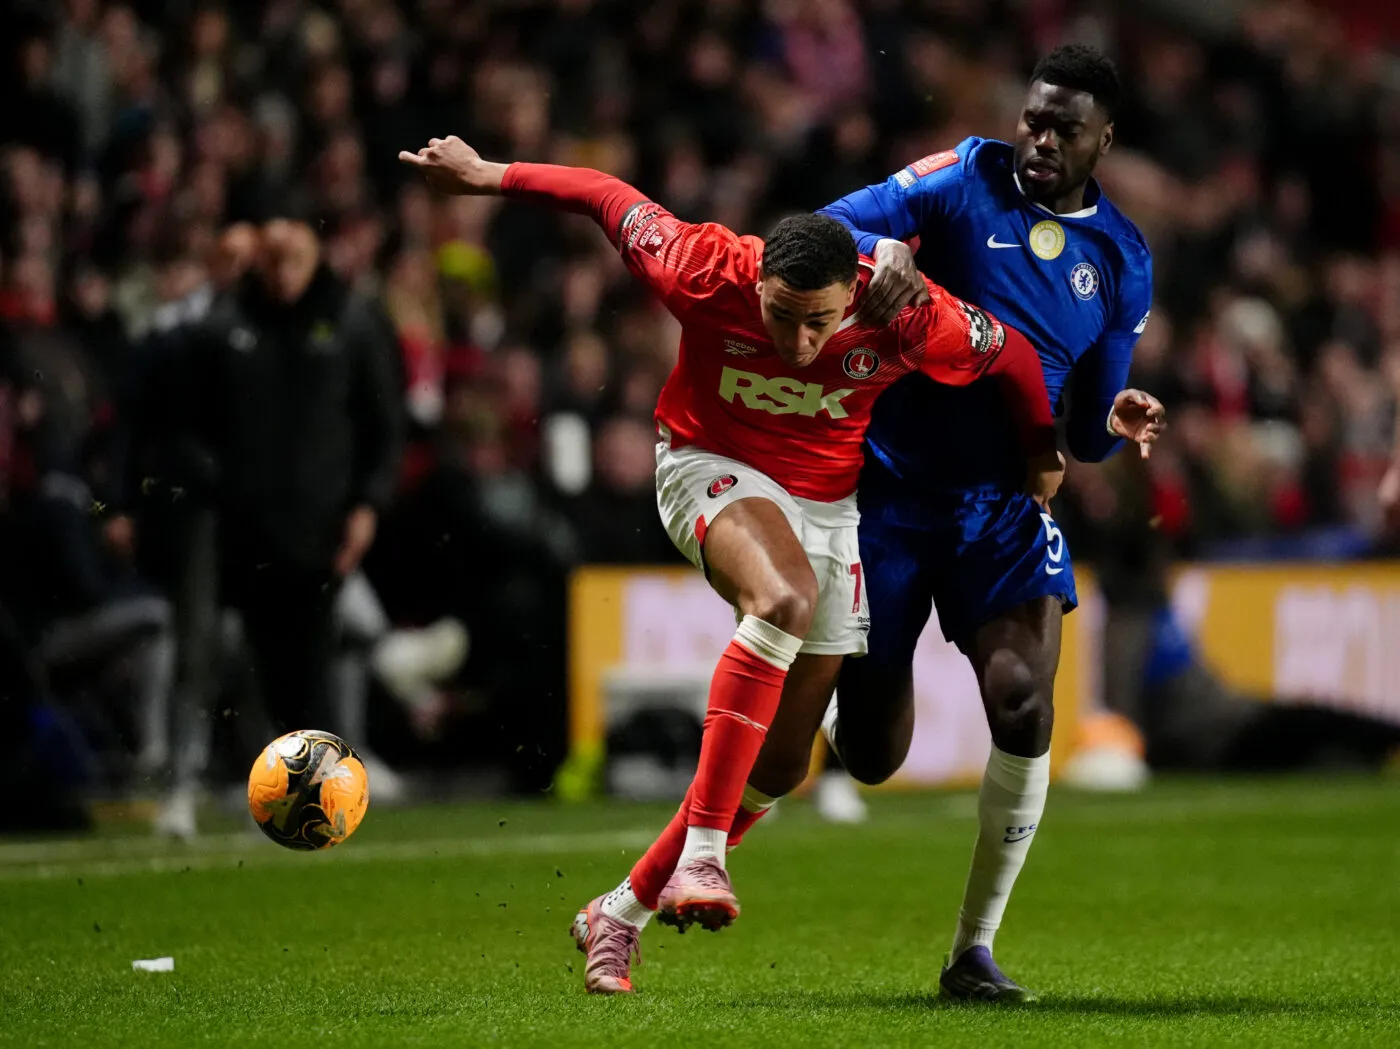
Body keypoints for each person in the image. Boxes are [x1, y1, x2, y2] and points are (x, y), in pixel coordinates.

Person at [400, 135, 1063, 995]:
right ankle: (704, 855)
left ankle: (618, 912)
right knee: (781, 598)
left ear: (852, 294)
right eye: (782, 315)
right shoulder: (705, 268)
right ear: (758, 286)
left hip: (828, 506)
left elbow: (1011, 354)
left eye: (819, 321)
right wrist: (489, 175)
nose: (799, 340)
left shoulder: (906, 313)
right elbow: (604, 192)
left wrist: (1043, 448)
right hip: (708, 464)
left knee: (782, 766)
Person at [722, 45, 1164, 1002]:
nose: (1041, 140)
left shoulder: (1123, 258)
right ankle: (836, 718)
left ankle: (974, 949)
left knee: (1025, 699)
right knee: (875, 756)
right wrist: (882, 256)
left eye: (1066, 129)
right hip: (888, 497)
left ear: (1104, 141)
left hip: (1001, 509)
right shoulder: (962, 178)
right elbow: (824, 228)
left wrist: (1116, 415)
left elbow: (1086, 429)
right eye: (1034, 118)